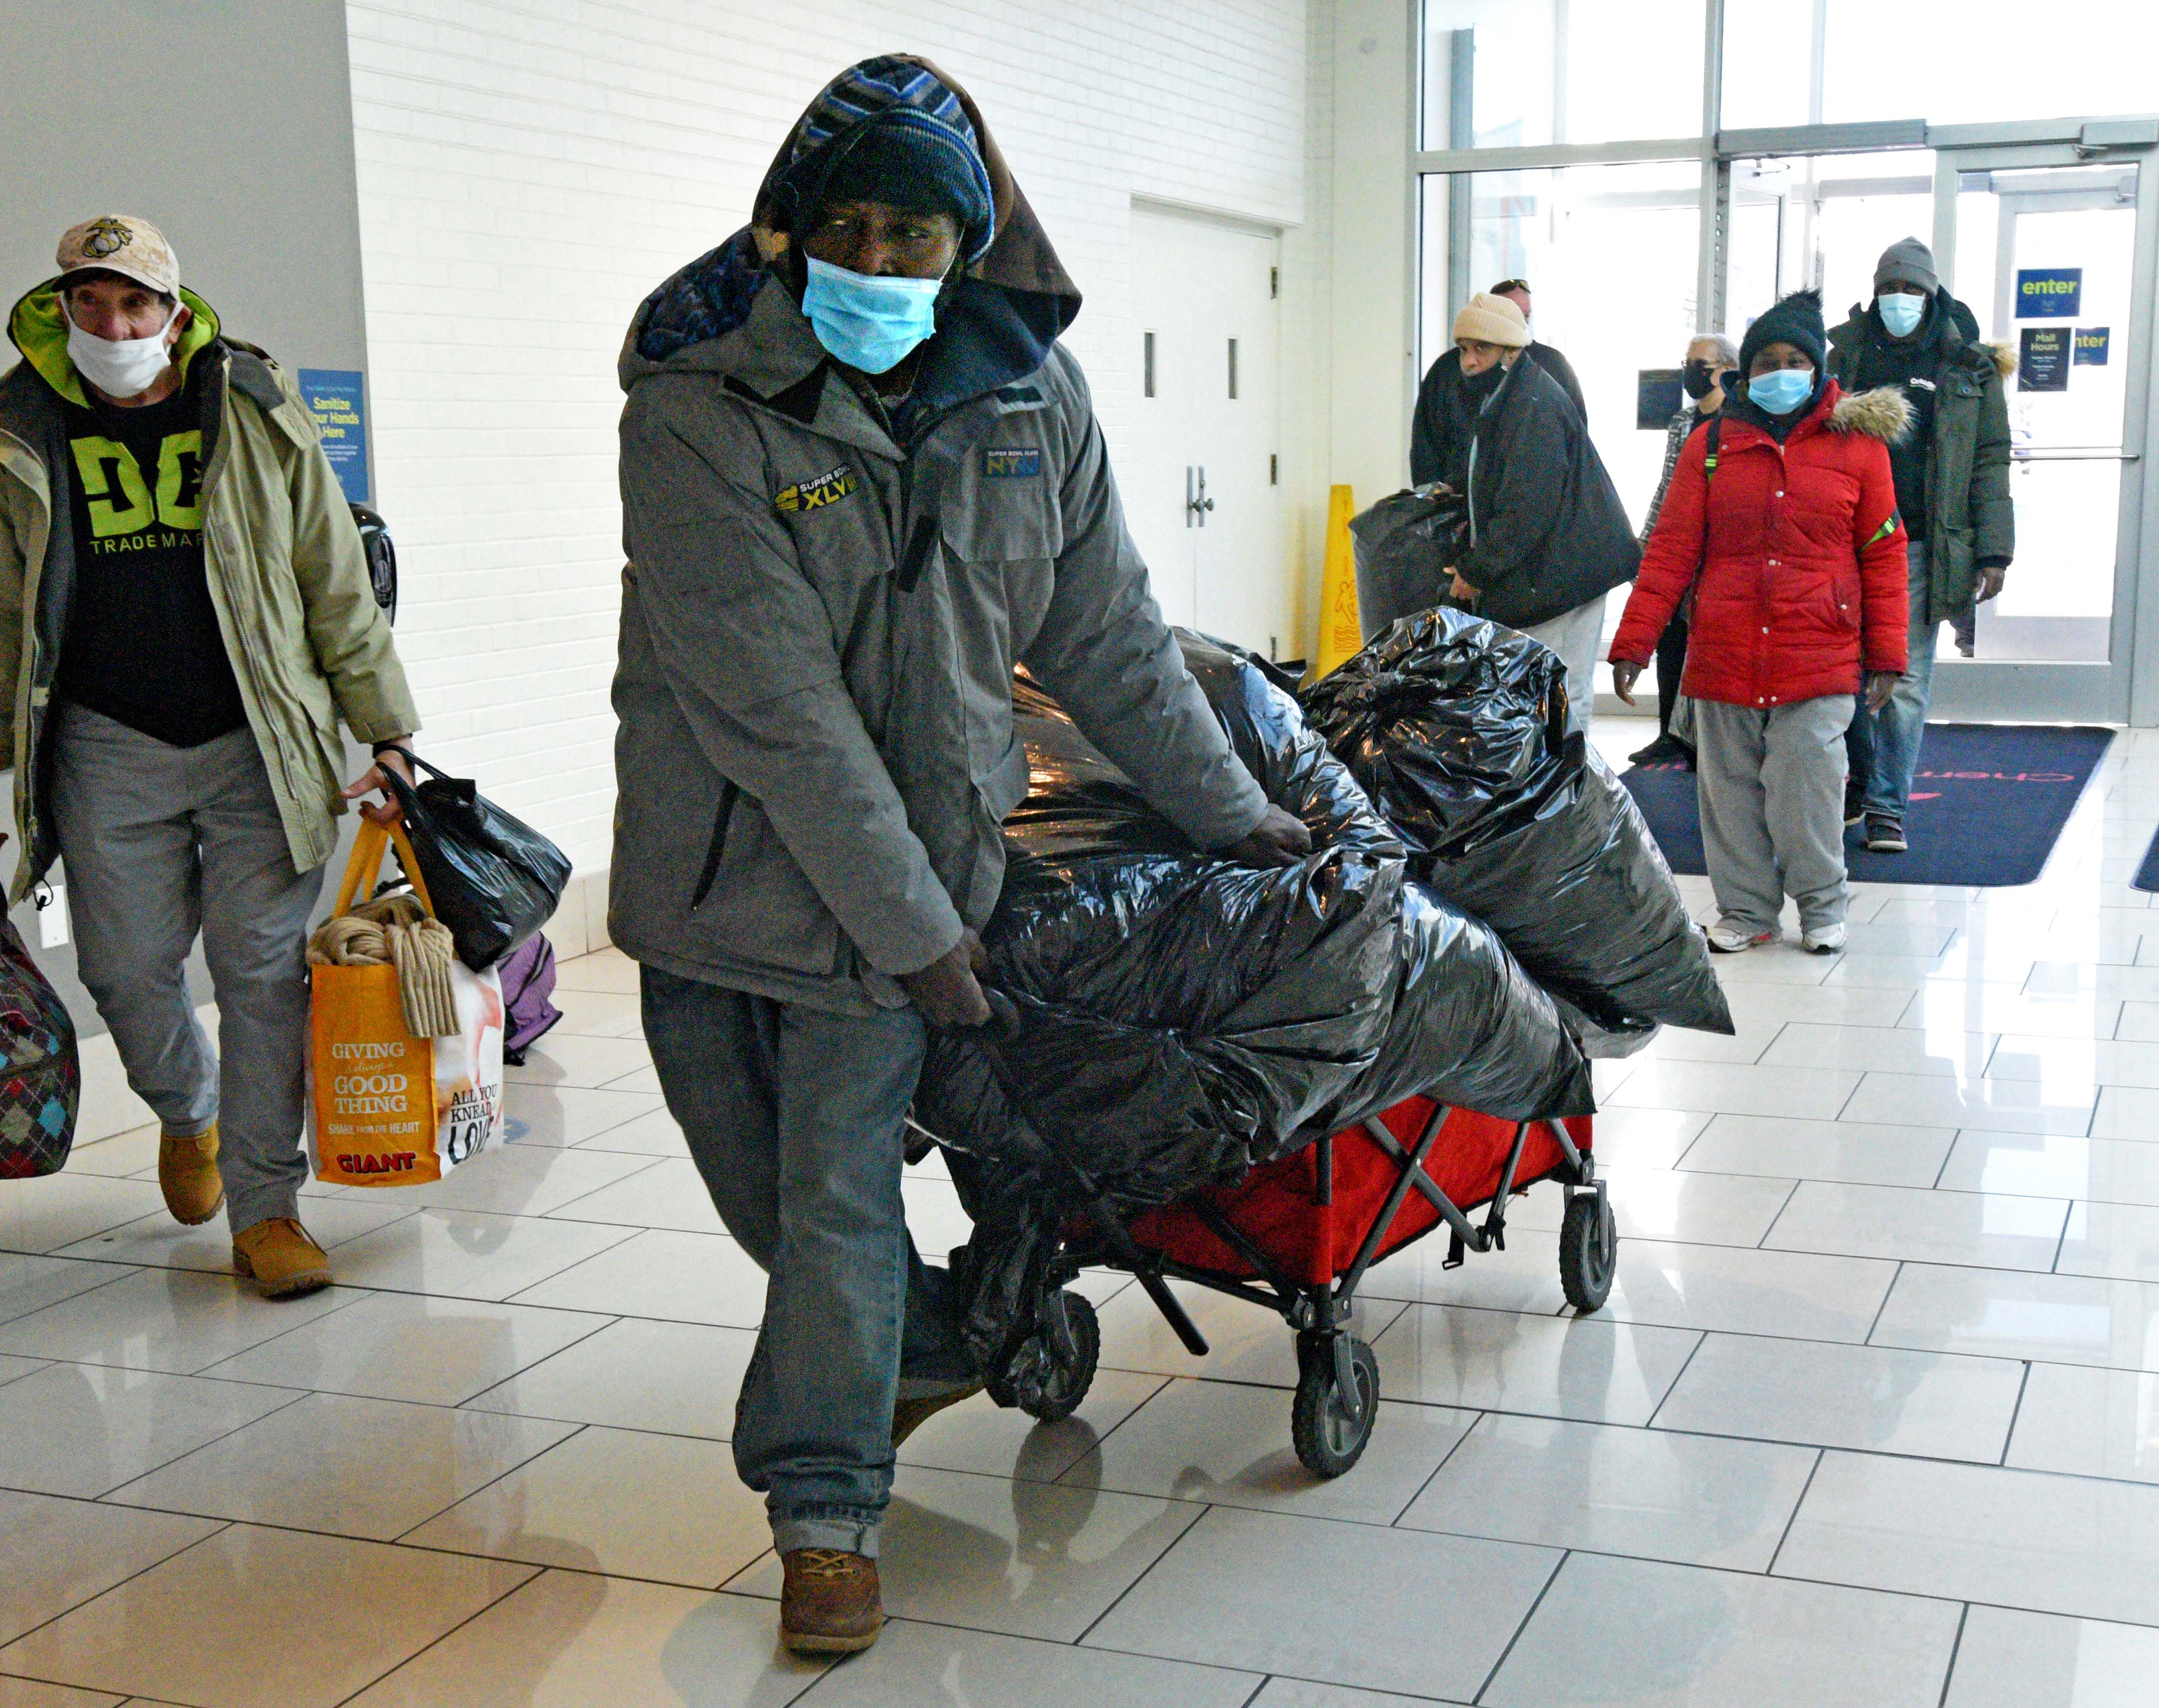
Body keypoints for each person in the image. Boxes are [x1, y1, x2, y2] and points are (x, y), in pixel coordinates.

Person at [610, 56, 1309, 1658]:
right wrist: (921, 924)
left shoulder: (1023, 398)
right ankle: (922, 1344)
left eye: (911, 234)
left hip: (893, 901)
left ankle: (822, 1509)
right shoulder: (700, 406)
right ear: (786, 235)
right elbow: (773, 708)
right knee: (774, 1209)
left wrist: (1222, 807)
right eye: (843, 227)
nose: (875, 261)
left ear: (966, 245)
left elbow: (1108, 632)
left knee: (835, 1196)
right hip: (716, 886)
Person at [0, 216, 419, 1297]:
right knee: (123, 966)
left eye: (135, 305)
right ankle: (187, 1110)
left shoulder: (251, 410)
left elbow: (332, 579)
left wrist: (387, 733)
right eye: (90, 303)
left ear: (175, 314)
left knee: (260, 974)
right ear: (59, 310)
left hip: (258, 739)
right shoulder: (9, 432)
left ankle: (267, 1209)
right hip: (106, 745)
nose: (113, 324)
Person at [1609, 290, 1909, 954]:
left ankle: (1823, 905)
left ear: (1818, 368)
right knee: (1731, 798)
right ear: (1746, 371)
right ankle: (1746, 910)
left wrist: (1887, 654)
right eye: (1767, 359)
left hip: (1819, 652)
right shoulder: (1711, 446)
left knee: (1809, 788)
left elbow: (1884, 553)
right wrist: (1636, 640)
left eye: (1795, 359)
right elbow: (1671, 549)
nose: (1780, 371)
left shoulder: (1859, 446)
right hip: (1724, 651)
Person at [1829, 238, 2014, 853]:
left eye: (1911, 289)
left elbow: (1988, 457)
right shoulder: (1845, 355)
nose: (1898, 300)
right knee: (1838, 674)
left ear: (1931, 293)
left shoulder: (1966, 364)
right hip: (1842, 539)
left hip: (1918, 544)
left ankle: (1886, 805)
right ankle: (1852, 785)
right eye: (1889, 288)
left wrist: (1993, 550)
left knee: (1902, 676)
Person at [1442, 291, 1639, 733]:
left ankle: (1569, 794)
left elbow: (1526, 507)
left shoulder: (1532, 406)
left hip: (1566, 572)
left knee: (1559, 691)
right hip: (1555, 565)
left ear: (1512, 351)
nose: (1469, 361)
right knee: (1547, 690)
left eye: (1482, 349)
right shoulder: (1509, 397)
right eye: (1464, 349)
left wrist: (1477, 568)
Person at [1628, 333, 1740, 765]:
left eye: (1702, 364)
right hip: (1679, 543)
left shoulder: (1736, 421)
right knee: (1670, 639)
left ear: (1726, 370)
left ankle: (1704, 738)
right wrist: (1646, 542)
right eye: (1688, 362)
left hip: (1717, 549)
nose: (1692, 371)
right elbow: (1667, 486)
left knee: (1707, 642)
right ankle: (1668, 732)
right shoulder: (1681, 422)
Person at [1411, 277, 1588, 486]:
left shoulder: (1548, 376)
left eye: (1525, 317)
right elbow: (1425, 449)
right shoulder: (1446, 372)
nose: (1471, 361)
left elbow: (1575, 449)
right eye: (1466, 349)